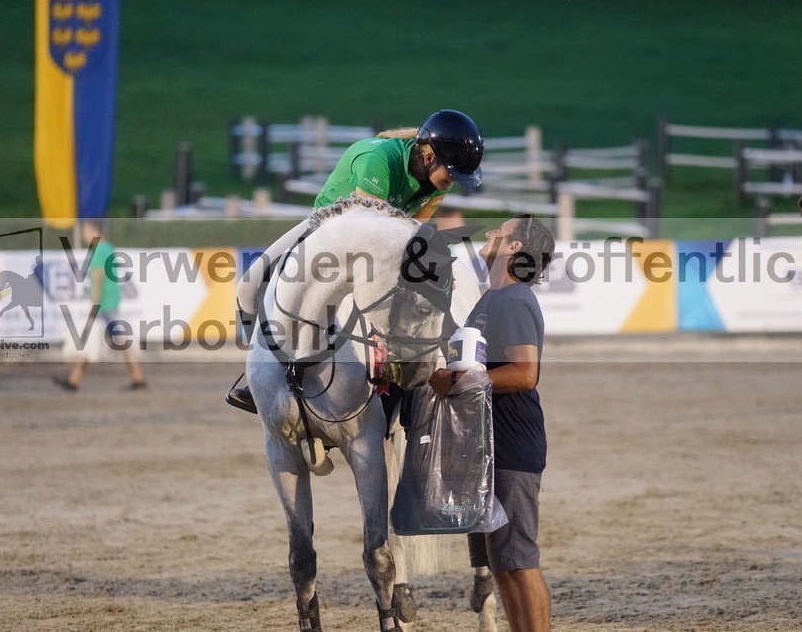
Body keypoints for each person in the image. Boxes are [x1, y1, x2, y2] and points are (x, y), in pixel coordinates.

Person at [226, 109, 484, 412]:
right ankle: (260, 375)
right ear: (429, 158)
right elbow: (368, 228)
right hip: (326, 231)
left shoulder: (439, 182)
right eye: (452, 173)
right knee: (248, 285)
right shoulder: (377, 158)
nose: (453, 181)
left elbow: (414, 233)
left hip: (382, 246)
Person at [428, 214, 555, 632]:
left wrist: (462, 381)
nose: (490, 234)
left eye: (501, 231)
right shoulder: (489, 301)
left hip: (512, 446)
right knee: (501, 563)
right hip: (487, 446)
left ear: (515, 248)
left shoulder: (515, 299)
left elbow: (524, 373)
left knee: (519, 560)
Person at [54, 219, 147, 391]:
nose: (83, 234)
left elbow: (98, 277)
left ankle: (73, 381)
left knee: (96, 341)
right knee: (113, 341)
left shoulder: (97, 251)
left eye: (85, 230)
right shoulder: (108, 248)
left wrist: (95, 303)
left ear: (92, 229)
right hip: (111, 301)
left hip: (103, 304)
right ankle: (74, 380)